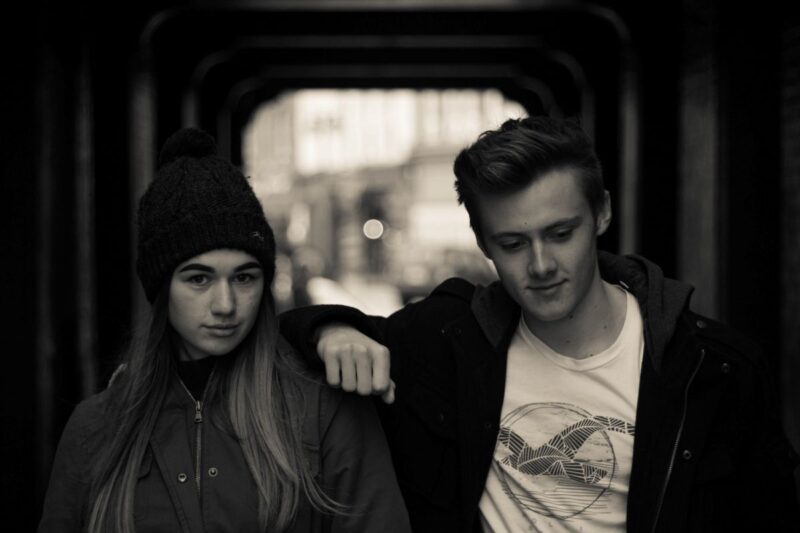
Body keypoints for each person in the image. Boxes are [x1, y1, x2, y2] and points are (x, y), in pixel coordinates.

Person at [280, 116, 800, 532]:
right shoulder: (445, 340)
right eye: (513, 244)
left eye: (560, 234)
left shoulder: (713, 370)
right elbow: (279, 337)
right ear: (482, 243)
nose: (541, 264)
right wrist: (331, 330)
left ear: (602, 214)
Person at [37, 128, 411, 533]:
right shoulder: (97, 427)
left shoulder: (323, 410)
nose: (225, 305)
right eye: (198, 279)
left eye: (244, 278)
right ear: (162, 288)